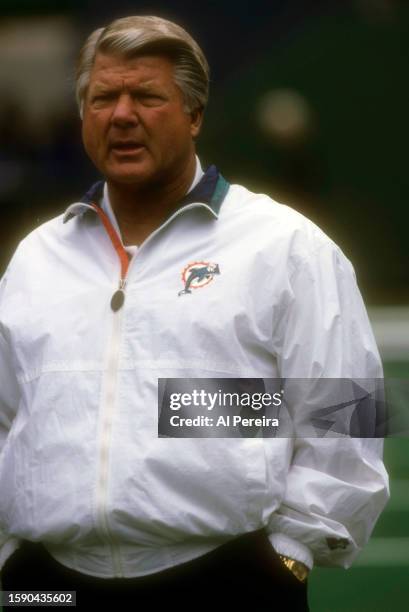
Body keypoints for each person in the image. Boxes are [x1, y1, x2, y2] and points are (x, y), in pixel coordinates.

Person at [0, 15, 389, 611]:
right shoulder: (37, 258)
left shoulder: (284, 245)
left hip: (225, 579)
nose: (122, 115)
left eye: (148, 97)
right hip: (49, 586)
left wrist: (290, 553)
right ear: (83, 116)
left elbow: (347, 411)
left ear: (195, 115)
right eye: (103, 97)